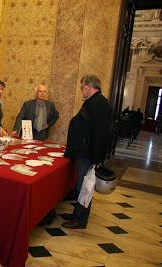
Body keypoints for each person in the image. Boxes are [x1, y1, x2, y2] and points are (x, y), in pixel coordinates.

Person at [62, 74, 112, 229]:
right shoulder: (93, 102)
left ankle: (80, 220)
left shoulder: (99, 103)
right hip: (83, 153)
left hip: (88, 155)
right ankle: (78, 213)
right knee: (81, 185)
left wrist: (96, 159)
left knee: (84, 187)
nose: (81, 90)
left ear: (89, 86)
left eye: (82, 86)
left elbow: (100, 133)